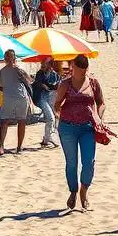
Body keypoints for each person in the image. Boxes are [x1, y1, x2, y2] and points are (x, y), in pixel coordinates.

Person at [54, 54, 105, 211]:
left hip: (88, 127)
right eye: (78, 70)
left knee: (89, 162)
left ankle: (84, 189)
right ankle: (73, 191)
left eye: (84, 70)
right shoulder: (65, 84)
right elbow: (56, 104)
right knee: (71, 163)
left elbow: (101, 103)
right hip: (68, 127)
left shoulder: (93, 83)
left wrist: (99, 117)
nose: (82, 73)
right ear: (72, 67)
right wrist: (58, 112)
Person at [0, 49, 33, 155]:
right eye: (6, 57)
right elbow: (2, 84)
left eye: (9, 57)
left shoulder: (19, 69)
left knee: (21, 121)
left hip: (21, 97)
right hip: (8, 98)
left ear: (14, 58)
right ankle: (1, 145)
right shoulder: (3, 71)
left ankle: (19, 146)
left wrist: (22, 75)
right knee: (4, 121)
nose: (7, 59)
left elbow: (29, 80)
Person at [33, 57, 60, 149]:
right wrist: (42, 85)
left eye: (45, 63)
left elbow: (55, 86)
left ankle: (46, 139)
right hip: (41, 98)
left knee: (53, 118)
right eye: (42, 63)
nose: (42, 65)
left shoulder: (54, 75)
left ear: (51, 64)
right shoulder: (40, 73)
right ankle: (48, 138)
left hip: (50, 97)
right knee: (51, 118)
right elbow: (37, 83)